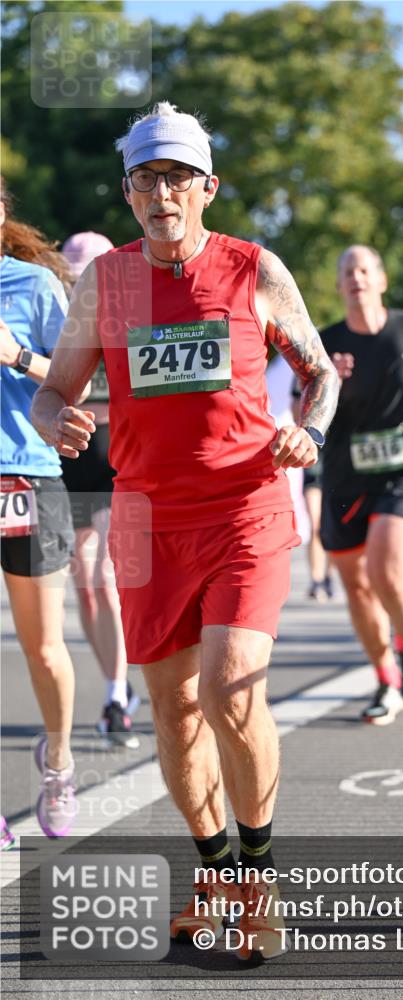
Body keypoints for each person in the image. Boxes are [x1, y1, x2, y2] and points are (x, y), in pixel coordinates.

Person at [31, 102, 338, 960]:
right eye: (144, 179)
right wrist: (57, 416)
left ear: (208, 186)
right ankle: (213, 875)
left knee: (232, 687)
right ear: (128, 193)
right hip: (144, 517)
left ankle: (261, 877)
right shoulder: (105, 283)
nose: (160, 193)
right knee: (172, 712)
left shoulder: (254, 268)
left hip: (245, 506)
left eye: (176, 177)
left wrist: (308, 430)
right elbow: (57, 388)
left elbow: (317, 374)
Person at [318, 245, 403, 725]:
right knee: (356, 587)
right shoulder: (325, 343)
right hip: (344, 477)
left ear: (380, 279)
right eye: (346, 271)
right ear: (339, 286)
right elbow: (302, 404)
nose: (355, 277)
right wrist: (324, 385)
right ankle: (385, 678)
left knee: (385, 561)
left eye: (363, 269)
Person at [0, 177, 78, 838]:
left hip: (26, 477)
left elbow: (80, 377)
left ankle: (56, 761)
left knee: (44, 649)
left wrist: (16, 355)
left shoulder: (34, 286)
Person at [60, 232, 141, 747]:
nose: (77, 285)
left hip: (118, 463)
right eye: (70, 276)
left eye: (85, 274)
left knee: (103, 574)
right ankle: (120, 681)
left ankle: (114, 698)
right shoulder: (59, 325)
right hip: (69, 467)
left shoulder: (131, 320)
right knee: (84, 585)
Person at [290, 378, 334, 602]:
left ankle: (329, 575)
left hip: (338, 454)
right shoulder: (305, 367)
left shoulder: (345, 362)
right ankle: (317, 579)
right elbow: (294, 407)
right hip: (314, 454)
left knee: (333, 523)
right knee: (316, 522)